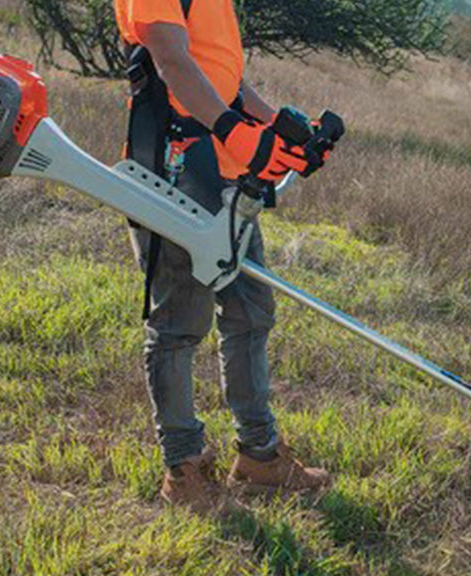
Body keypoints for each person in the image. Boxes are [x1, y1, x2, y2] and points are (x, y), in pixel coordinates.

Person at [114, 0, 331, 513]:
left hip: (230, 178)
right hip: (175, 171)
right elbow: (172, 62)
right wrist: (234, 129)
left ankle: (259, 456)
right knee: (178, 326)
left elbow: (219, 74)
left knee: (250, 312)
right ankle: (184, 473)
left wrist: (278, 125)